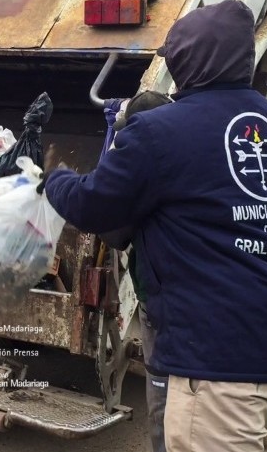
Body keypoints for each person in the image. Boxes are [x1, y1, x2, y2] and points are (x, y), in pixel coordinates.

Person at [40, 0, 267, 451]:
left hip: (212, 360)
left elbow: (93, 206)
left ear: (193, 59)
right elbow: (217, 212)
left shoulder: (160, 133)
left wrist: (55, 178)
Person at [101, 90, 172, 452]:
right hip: (217, 305)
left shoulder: (147, 170)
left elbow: (113, 229)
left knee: (164, 396)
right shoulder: (196, 157)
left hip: (164, 302)